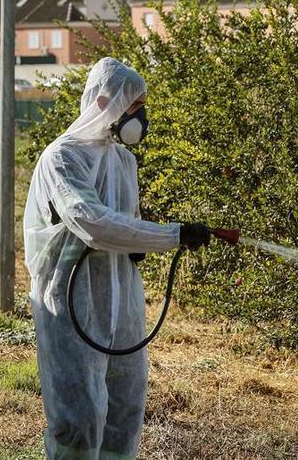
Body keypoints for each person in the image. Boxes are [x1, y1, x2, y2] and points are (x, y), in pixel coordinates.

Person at [23, 57, 210, 458]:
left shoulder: (124, 161)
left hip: (121, 299)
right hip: (72, 300)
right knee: (80, 416)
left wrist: (142, 239)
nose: (140, 116)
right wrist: (171, 234)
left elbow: (126, 223)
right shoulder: (63, 157)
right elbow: (91, 221)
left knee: (125, 407)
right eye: (134, 105)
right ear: (104, 101)